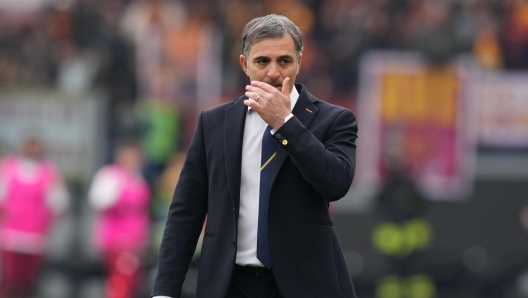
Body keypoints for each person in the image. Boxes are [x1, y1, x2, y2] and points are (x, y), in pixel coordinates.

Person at [152, 14, 358, 298]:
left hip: (303, 284)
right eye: (262, 61)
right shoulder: (213, 123)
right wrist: (164, 291)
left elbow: (336, 183)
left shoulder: (335, 120)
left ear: (300, 61)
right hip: (230, 283)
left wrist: (285, 123)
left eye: (284, 61)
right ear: (244, 64)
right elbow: (186, 212)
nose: (273, 72)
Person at [0, 137, 69, 298]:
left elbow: (59, 203)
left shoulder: (49, 172)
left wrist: (48, 220)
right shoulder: (9, 168)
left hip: (35, 235)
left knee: (28, 280)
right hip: (11, 234)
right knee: (9, 278)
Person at [88, 141, 151, 298]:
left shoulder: (139, 179)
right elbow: (98, 201)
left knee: (132, 281)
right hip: (116, 239)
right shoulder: (111, 175)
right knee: (121, 279)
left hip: (135, 241)